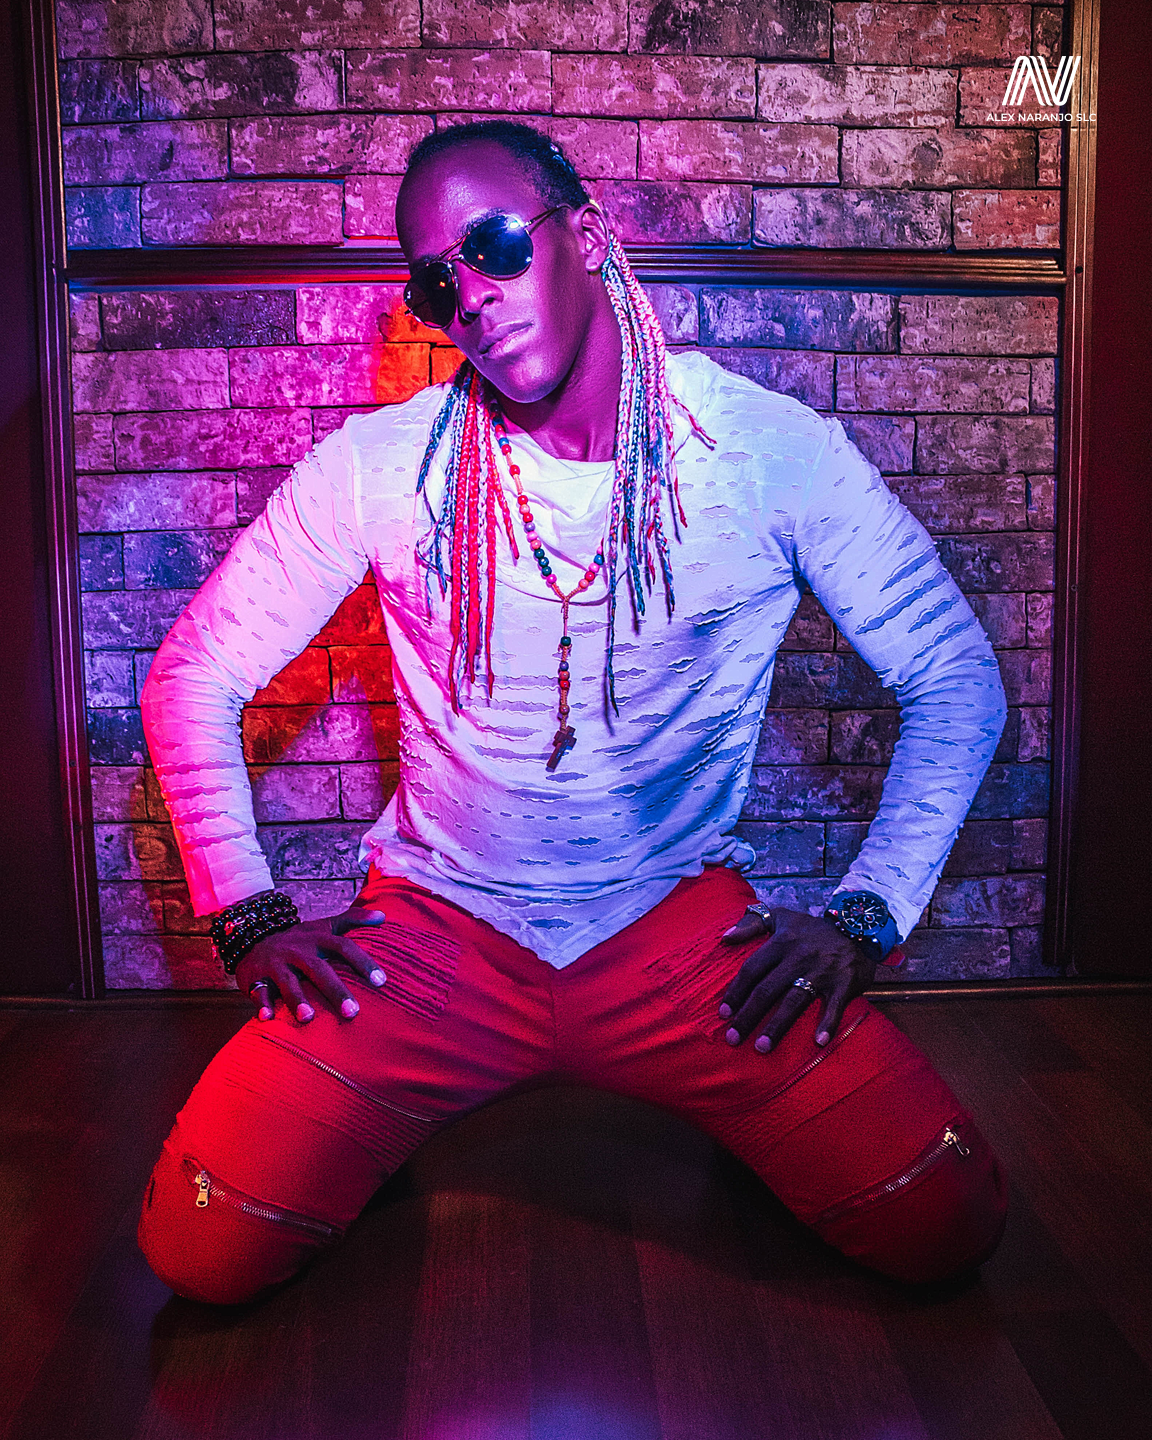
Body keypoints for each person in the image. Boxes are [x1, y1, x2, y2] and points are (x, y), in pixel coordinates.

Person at [136, 121, 1009, 1305]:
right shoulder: (381, 467)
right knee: (199, 1249)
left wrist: (867, 915)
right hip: (438, 934)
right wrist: (247, 914)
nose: (470, 295)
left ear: (586, 236)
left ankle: (751, 1128)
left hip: (678, 936)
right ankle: (371, 1134)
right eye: (435, 282)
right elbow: (194, 673)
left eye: (495, 245)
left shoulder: (763, 451)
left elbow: (953, 675)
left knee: (947, 1219)